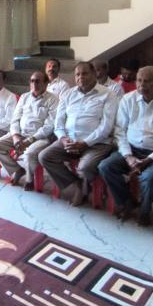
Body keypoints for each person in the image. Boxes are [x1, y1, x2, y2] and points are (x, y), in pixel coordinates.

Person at [98, 66, 153, 226]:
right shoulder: (128, 99)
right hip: (132, 150)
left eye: (147, 81)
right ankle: (127, 202)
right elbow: (120, 131)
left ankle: (145, 210)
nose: (141, 85)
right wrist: (128, 156)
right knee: (106, 167)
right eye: (139, 80)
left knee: (151, 178)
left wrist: (150, 159)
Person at [40, 62, 118, 206]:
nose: (80, 77)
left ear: (94, 74)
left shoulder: (108, 94)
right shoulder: (68, 94)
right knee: (45, 156)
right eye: (77, 74)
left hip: (97, 143)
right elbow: (59, 123)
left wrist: (85, 143)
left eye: (85, 73)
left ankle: (89, 186)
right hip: (69, 140)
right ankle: (77, 184)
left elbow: (106, 127)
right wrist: (63, 139)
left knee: (85, 168)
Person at [0, 71, 59, 190]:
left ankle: (29, 178)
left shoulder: (53, 99)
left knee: (30, 153)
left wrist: (29, 140)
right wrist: (16, 136)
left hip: (40, 137)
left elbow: (49, 126)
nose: (34, 84)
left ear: (46, 83)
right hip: (21, 134)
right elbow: (15, 119)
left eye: (38, 81)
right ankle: (17, 170)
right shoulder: (24, 97)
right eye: (32, 81)